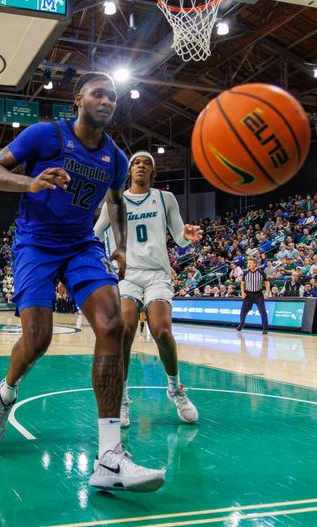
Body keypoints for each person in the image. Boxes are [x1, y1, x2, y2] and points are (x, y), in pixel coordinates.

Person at [0, 72, 165, 492]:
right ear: (78, 98)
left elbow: (116, 201)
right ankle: (6, 394)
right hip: (35, 244)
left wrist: (118, 245)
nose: (107, 101)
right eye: (99, 94)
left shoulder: (116, 158)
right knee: (38, 339)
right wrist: (30, 181)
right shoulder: (45, 136)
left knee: (113, 325)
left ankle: (110, 456)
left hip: (83, 245)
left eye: (113, 97)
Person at [94, 150, 202, 428]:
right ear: (128, 171)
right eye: (136, 164)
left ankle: (175, 389)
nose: (141, 166)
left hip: (157, 274)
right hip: (128, 275)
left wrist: (187, 237)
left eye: (146, 164)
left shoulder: (164, 198)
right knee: (126, 329)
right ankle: (123, 398)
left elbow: (179, 237)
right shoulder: (114, 201)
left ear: (152, 172)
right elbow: (93, 235)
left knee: (161, 330)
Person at [237, 258, 270, 334]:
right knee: (243, 311)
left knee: (263, 312)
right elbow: (242, 284)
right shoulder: (245, 273)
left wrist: (267, 292)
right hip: (248, 294)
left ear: (255, 264)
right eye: (248, 263)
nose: (248, 264)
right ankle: (242, 324)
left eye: (250, 263)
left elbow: (267, 283)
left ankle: (265, 329)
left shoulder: (261, 272)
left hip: (258, 294)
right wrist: (242, 292)